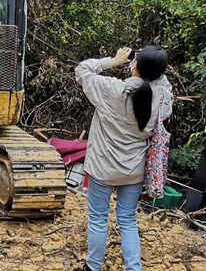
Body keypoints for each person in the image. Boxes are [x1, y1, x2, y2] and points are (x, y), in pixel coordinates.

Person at [74, 46, 173, 271]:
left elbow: (82, 70)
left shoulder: (111, 89)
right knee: (127, 219)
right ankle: (133, 268)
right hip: (134, 171)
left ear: (134, 65)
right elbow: (163, 84)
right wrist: (152, 70)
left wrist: (114, 60)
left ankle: (93, 267)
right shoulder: (163, 97)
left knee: (99, 218)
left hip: (102, 168)